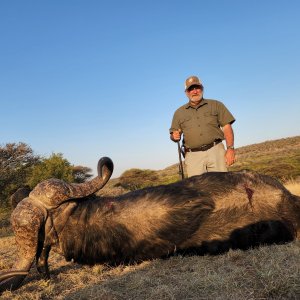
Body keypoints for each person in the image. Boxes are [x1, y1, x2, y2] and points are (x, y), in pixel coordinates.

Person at [170, 75, 235, 177]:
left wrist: (230, 149)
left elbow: (227, 127)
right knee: (198, 190)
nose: (195, 91)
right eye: (191, 89)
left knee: (222, 186)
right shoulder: (179, 113)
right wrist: (174, 136)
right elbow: (173, 134)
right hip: (193, 156)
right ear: (186, 93)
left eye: (197, 87)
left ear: (202, 88)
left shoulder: (216, 105)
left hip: (216, 151)